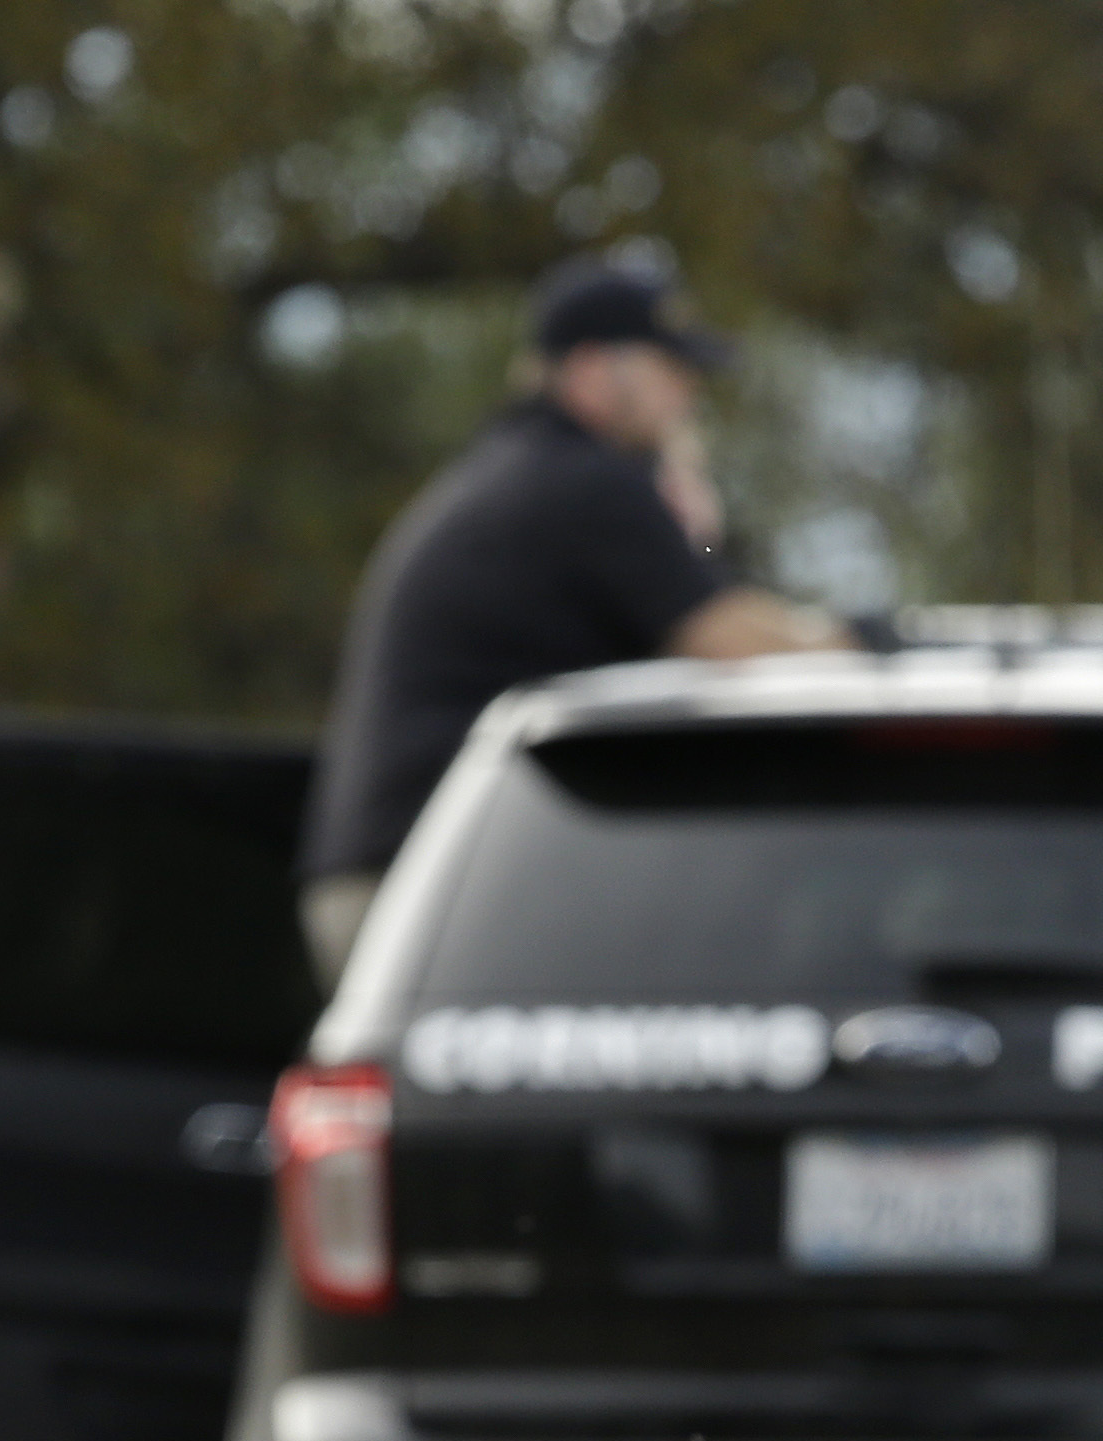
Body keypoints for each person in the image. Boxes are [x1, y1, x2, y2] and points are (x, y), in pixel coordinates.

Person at [299, 255, 849, 981]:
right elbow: (736, 642)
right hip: (435, 893)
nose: (687, 393)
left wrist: (694, 532)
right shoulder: (586, 483)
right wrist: (867, 646)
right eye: (669, 369)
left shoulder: (524, 469)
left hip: (402, 885)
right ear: (592, 371)